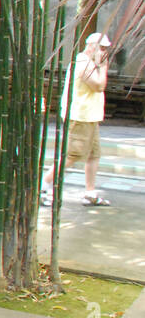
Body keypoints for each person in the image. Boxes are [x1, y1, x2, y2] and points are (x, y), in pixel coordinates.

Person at [42, 32, 112, 207]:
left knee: (94, 155)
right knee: (72, 155)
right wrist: (104, 68)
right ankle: (42, 186)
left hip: (91, 117)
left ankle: (90, 192)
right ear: (91, 47)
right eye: (102, 48)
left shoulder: (89, 63)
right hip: (80, 116)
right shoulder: (83, 62)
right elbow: (98, 86)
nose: (104, 52)